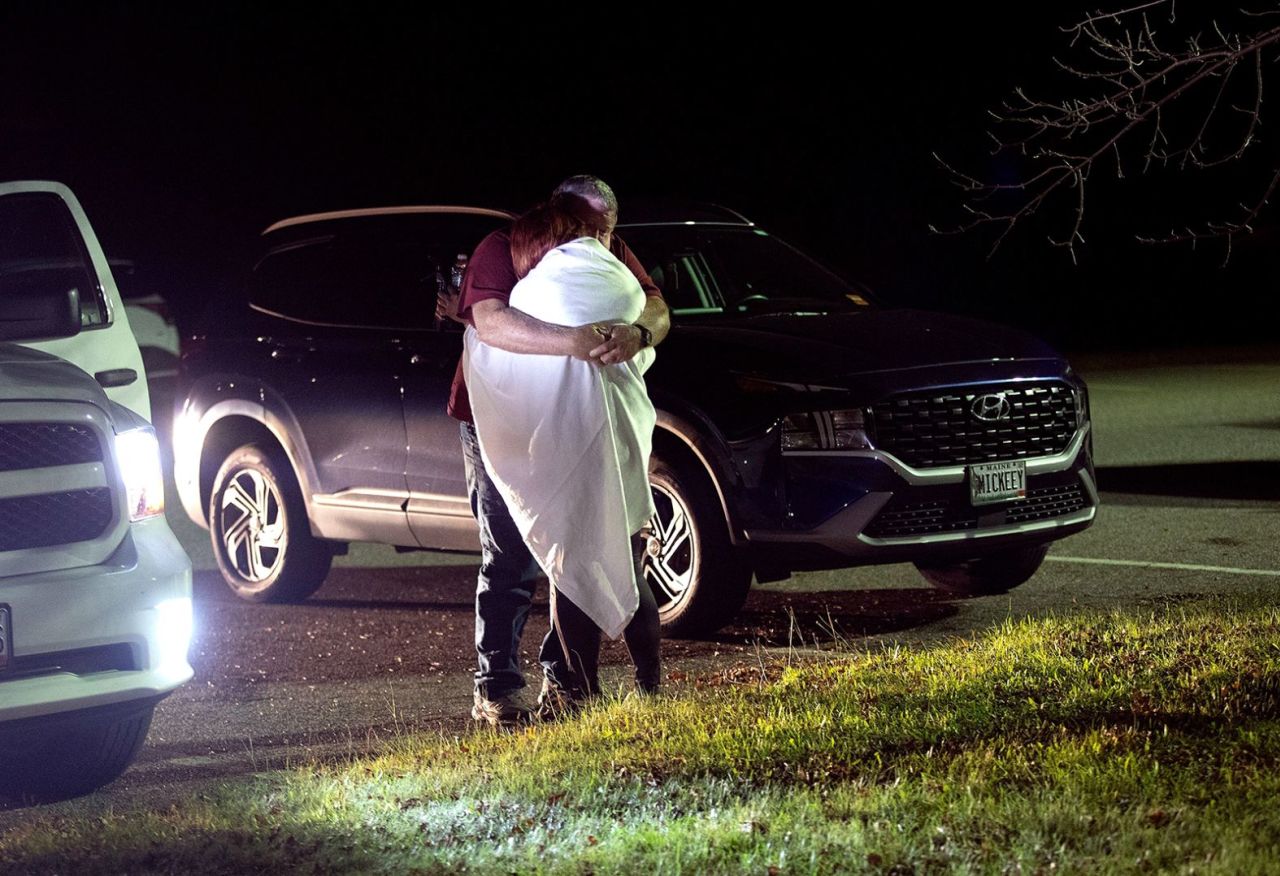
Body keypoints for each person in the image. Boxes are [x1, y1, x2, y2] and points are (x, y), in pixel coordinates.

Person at [444, 176, 669, 725]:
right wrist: (574, 340)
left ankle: (567, 683)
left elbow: (657, 307)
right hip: (504, 419)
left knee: (576, 544)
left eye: (610, 231)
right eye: (592, 228)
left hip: (577, 417)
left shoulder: (608, 248)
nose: (602, 241)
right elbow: (491, 322)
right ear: (561, 213)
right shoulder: (503, 248)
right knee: (511, 554)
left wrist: (639, 334)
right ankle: (495, 686)